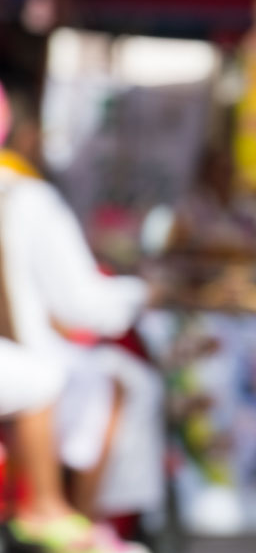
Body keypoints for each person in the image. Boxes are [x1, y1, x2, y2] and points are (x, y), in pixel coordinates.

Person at [0, 84, 157, 553]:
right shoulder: (26, 198)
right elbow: (81, 305)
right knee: (86, 381)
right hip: (27, 360)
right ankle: (54, 511)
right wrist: (142, 293)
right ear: (24, 136)